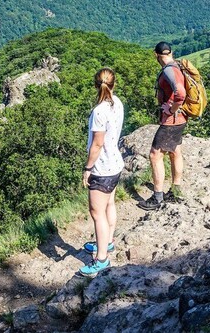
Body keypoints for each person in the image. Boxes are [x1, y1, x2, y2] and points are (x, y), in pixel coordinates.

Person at [79, 67, 125, 277]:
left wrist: (88, 169)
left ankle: (101, 260)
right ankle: (107, 243)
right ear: (113, 84)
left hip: (102, 168)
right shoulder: (118, 103)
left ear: (95, 85)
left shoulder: (99, 111)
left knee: (97, 214)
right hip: (115, 163)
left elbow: (97, 145)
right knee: (110, 205)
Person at [138, 41, 186, 210]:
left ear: (156, 55)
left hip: (171, 121)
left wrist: (171, 109)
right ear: (170, 52)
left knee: (155, 155)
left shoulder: (168, 71)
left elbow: (180, 93)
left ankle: (158, 197)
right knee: (175, 151)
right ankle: (176, 190)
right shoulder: (177, 66)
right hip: (181, 119)